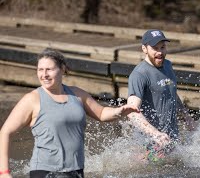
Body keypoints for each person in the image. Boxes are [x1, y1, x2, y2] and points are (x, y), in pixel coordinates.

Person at [0, 48, 139, 178]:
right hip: (45, 171)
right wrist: (4, 172)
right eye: (40, 70)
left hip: (76, 170)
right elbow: (5, 132)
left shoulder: (77, 94)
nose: (44, 75)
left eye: (49, 69)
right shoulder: (32, 99)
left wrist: (119, 111)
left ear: (62, 69)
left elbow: (102, 113)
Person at [127, 29, 195, 161]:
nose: (160, 52)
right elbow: (132, 112)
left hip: (170, 139)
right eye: (155, 48)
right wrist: (156, 134)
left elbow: (171, 93)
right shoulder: (139, 74)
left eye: (163, 47)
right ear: (144, 49)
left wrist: (186, 116)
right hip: (150, 143)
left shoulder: (168, 65)